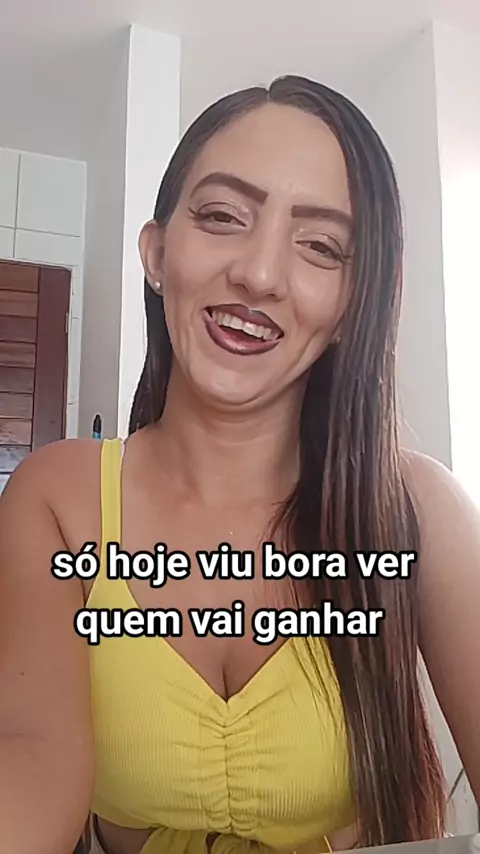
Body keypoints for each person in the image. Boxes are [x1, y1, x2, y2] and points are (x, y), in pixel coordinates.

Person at [0, 75, 479, 854]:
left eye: (320, 247)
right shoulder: (57, 498)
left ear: (353, 302)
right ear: (157, 252)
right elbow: (30, 754)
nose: (259, 274)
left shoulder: (419, 511)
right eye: (223, 216)